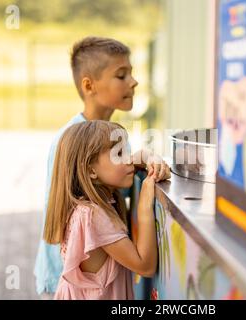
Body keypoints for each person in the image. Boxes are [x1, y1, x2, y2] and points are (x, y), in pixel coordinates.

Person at [34, 36, 170, 297]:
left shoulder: (113, 137)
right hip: (71, 281)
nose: (133, 82)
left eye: (131, 73)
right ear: (89, 85)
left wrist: (145, 158)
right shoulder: (69, 140)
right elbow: (60, 214)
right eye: (121, 75)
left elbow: (113, 188)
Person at [43, 120, 157, 299]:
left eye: (127, 150)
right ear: (91, 171)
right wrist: (144, 206)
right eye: (119, 153)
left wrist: (147, 156)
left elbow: (122, 166)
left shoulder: (93, 204)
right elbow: (145, 266)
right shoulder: (92, 215)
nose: (129, 159)